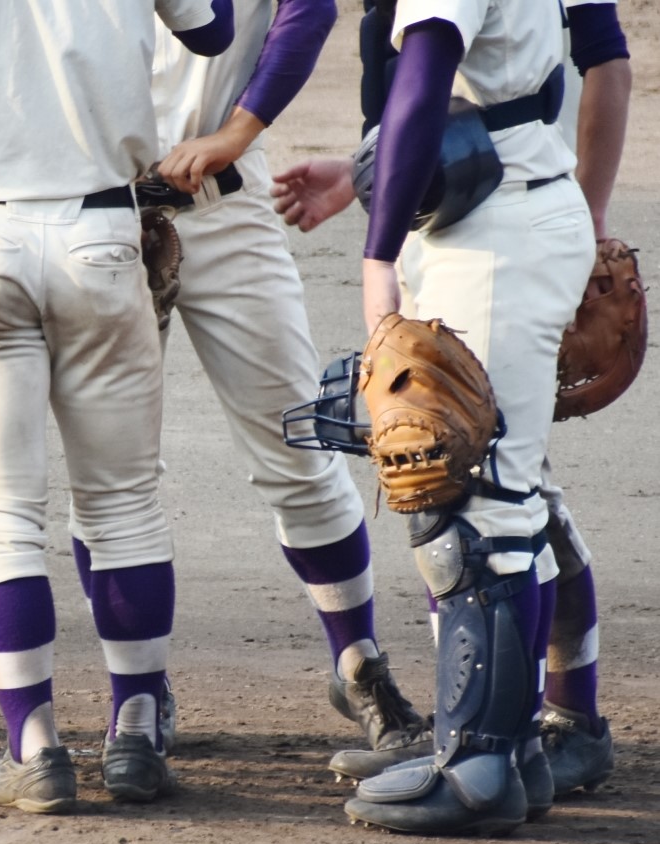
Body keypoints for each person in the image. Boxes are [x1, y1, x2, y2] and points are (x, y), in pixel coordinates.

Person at [0, 0, 235, 812]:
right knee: (124, 504)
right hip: (99, 236)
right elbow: (213, 31)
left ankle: (33, 750)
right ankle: (133, 734)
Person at [272, 0, 631, 800]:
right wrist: (370, 170)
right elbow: (458, 89)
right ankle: (505, 753)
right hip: (483, 201)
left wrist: (376, 258)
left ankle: (478, 766)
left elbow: (431, 73)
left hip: (495, 226)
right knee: (501, 497)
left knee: (475, 509)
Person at [67, 0, 431, 766]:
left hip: (228, 208)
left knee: (299, 447)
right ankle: (135, 695)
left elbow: (307, 10)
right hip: (97, 217)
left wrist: (237, 130)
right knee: (109, 473)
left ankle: (357, 663)